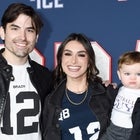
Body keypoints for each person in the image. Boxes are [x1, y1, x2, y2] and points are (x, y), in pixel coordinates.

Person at [42, 33, 117, 140]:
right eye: (68, 54)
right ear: (60, 59)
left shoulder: (107, 94)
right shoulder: (51, 101)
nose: (73, 61)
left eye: (81, 55)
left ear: (89, 61)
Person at [0, 3, 52, 140]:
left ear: (37, 37)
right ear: (2, 32)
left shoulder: (45, 77)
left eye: (29, 30)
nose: (22, 37)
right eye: (15, 28)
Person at [100, 51, 140, 140]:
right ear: (119, 75)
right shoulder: (119, 89)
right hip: (111, 128)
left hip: (129, 133)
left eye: (138, 74)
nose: (132, 78)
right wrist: (106, 87)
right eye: (127, 74)